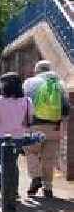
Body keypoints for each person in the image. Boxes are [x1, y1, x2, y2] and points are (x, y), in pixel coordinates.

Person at [23, 60, 70, 198]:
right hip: (54, 126)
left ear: (37, 70)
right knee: (48, 158)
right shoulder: (60, 84)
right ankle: (47, 188)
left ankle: (36, 177)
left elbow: (24, 104)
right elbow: (66, 108)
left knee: (31, 151)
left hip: (35, 125)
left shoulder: (29, 83)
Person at [0, 72, 34, 191]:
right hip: (18, 137)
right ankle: (14, 191)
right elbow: (29, 120)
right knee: (13, 164)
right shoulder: (27, 101)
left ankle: (4, 191)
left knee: (0, 164)